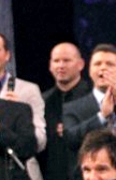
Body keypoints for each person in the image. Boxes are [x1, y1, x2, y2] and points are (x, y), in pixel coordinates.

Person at [0, 30, 47, 179]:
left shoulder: (28, 90)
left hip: (19, 170)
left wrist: (18, 118)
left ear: (7, 55)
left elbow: (40, 140)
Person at [43, 42, 91, 180]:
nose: (61, 65)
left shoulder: (93, 97)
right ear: (50, 66)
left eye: (66, 60)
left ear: (81, 64)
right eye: (56, 61)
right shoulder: (43, 101)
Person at [63, 44, 116, 156]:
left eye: (110, 64)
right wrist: (102, 116)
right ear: (90, 71)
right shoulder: (72, 108)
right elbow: (71, 140)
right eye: (97, 64)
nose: (103, 68)